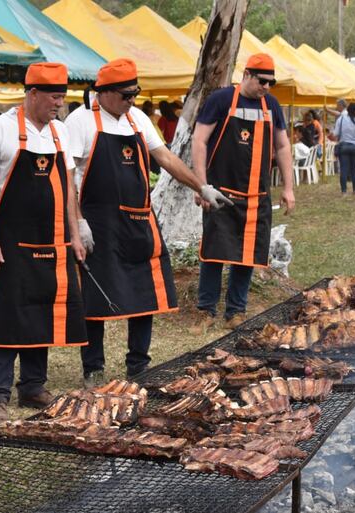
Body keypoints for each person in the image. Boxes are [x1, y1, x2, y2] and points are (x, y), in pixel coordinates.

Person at [66, 58, 231, 387]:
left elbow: (166, 158)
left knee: (145, 293)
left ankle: (139, 364)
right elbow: (67, 177)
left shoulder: (136, 117)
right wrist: (78, 222)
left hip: (139, 218)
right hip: (100, 222)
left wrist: (202, 186)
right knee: (95, 297)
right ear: (106, 92)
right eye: (127, 95)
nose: (132, 102)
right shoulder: (79, 122)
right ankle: (93, 368)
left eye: (135, 95)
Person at [0, 62, 89, 425]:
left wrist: (75, 234)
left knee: (42, 308)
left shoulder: (60, 132)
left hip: (52, 239)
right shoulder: (0, 129)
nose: (59, 103)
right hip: (10, 239)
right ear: (33, 93)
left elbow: (68, 188)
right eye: (54, 96)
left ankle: (33, 386)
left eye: (62, 96)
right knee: (10, 313)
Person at [190, 53, 295, 333]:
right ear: (247, 74)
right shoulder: (221, 100)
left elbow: (283, 147)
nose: (267, 87)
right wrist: (201, 185)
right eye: (263, 81)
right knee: (213, 252)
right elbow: (199, 141)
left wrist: (288, 187)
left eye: (271, 82)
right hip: (220, 192)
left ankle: (236, 312)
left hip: (256, 196)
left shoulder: (271, 105)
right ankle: (205, 311)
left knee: (247, 254)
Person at [333, 102, 355, 196]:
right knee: (354, 170)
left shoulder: (341, 119)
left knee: (344, 170)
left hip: (344, 146)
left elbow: (335, 133)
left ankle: (344, 192)